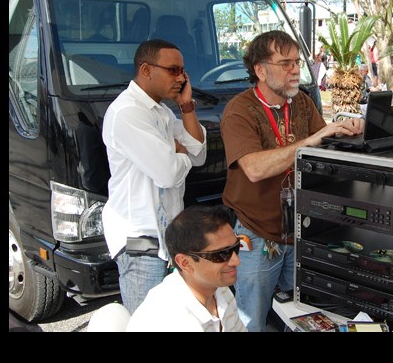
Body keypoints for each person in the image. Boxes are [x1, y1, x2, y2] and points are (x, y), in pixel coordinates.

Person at [220, 30, 364, 332]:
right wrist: (313, 140)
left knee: (302, 316)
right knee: (251, 321)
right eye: (285, 63)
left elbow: (322, 147)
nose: (296, 70)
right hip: (257, 233)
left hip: (300, 230)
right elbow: (255, 168)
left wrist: (349, 132)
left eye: (297, 62)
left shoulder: (301, 103)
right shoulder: (239, 110)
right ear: (260, 70)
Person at [102, 39, 207, 314]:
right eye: (173, 70)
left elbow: (198, 154)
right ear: (146, 70)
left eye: (183, 70)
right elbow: (168, 173)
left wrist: (186, 107)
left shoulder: (160, 111)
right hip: (142, 245)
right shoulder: (128, 113)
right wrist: (178, 154)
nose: (182, 78)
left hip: (166, 240)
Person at [126, 205, 248, 332]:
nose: (236, 261)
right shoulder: (170, 322)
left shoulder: (219, 289)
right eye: (222, 254)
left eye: (236, 248)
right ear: (185, 263)